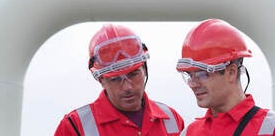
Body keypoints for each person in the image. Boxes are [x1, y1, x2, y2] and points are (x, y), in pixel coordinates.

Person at [176, 19, 275, 136]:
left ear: (231, 72)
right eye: (190, 75)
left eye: (201, 74)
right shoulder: (189, 133)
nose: (193, 84)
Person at [55, 23, 184, 136]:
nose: (128, 87)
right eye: (116, 79)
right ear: (101, 80)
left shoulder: (171, 119)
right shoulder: (75, 126)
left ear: (144, 70)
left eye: (133, 74)